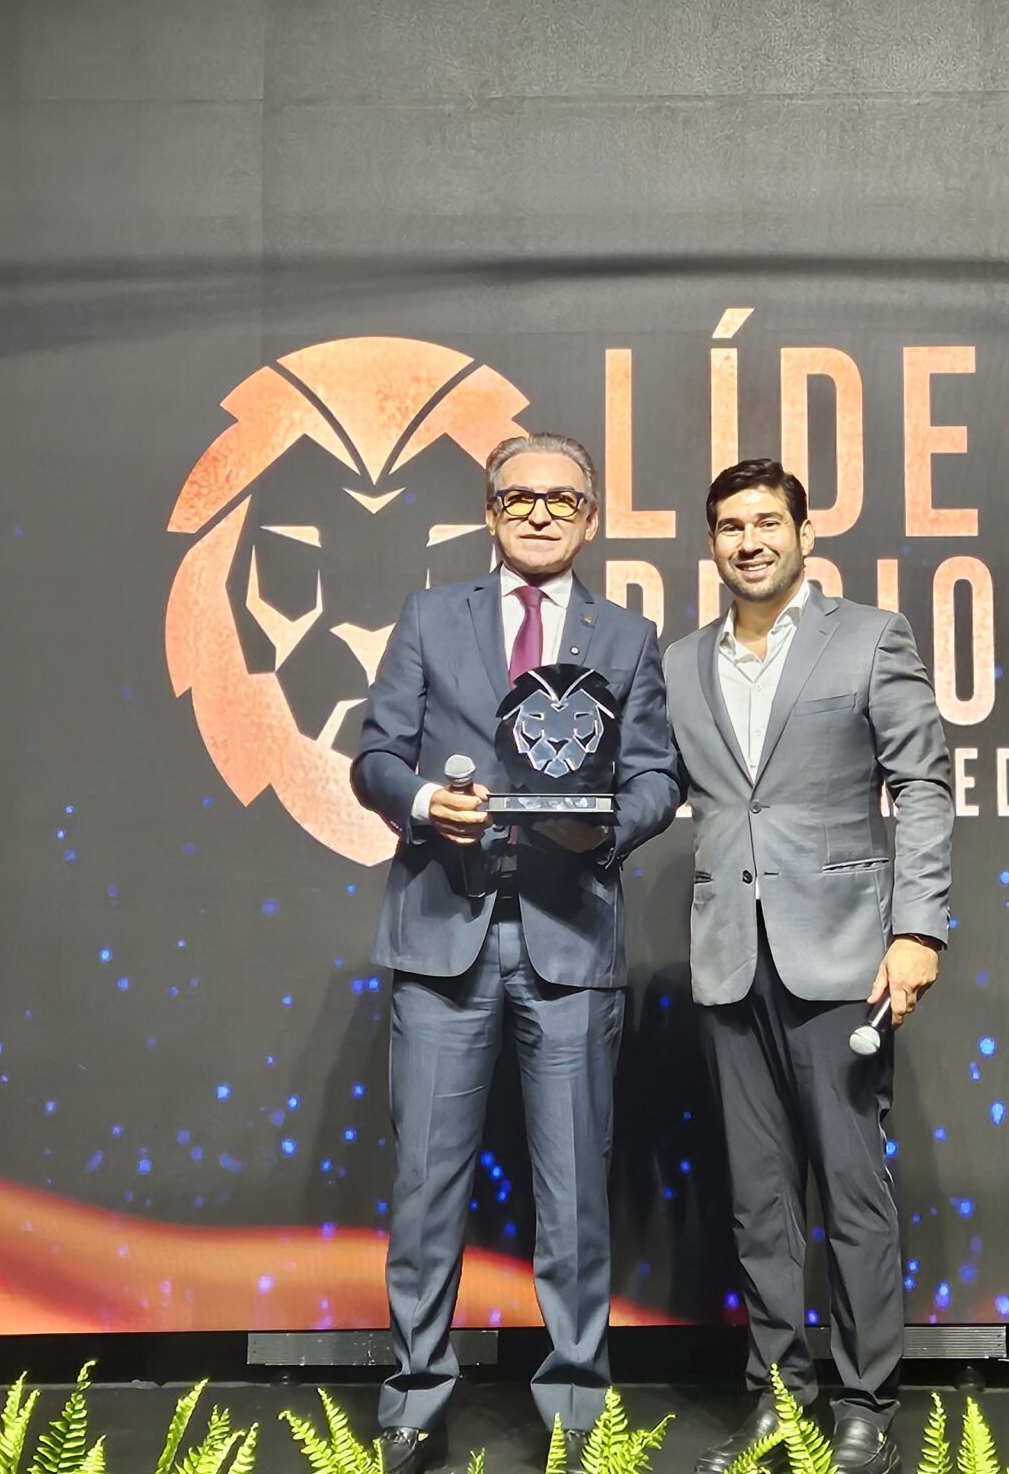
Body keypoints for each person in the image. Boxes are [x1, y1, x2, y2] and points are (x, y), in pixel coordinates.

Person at [351, 432, 682, 1474]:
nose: (541, 514)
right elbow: (374, 754)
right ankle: (414, 1399)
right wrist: (421, 801)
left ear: (591, 517)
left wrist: (604, 829)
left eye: (562, 499)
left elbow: (657, 777)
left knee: (575, 1193)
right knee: (425, 1188)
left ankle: (577, 1411)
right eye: (520, 498)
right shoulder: (428, 617)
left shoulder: (626, 636)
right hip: (442, 935)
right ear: (489, 512)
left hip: (569, 940)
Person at [664, 459, 955, 1474]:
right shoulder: (680, 663)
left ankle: (866, 1404)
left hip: (842, 959)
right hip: (727, 960)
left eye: (766, 522)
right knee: (759, 1202)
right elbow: (654, 786)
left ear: (803, 534)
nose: (749, 541)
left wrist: (917, 930)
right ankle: (779, 1397)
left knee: (852, 1191)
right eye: (729, 526)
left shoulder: (870, 638)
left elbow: (922, 785)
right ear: (712, 543)